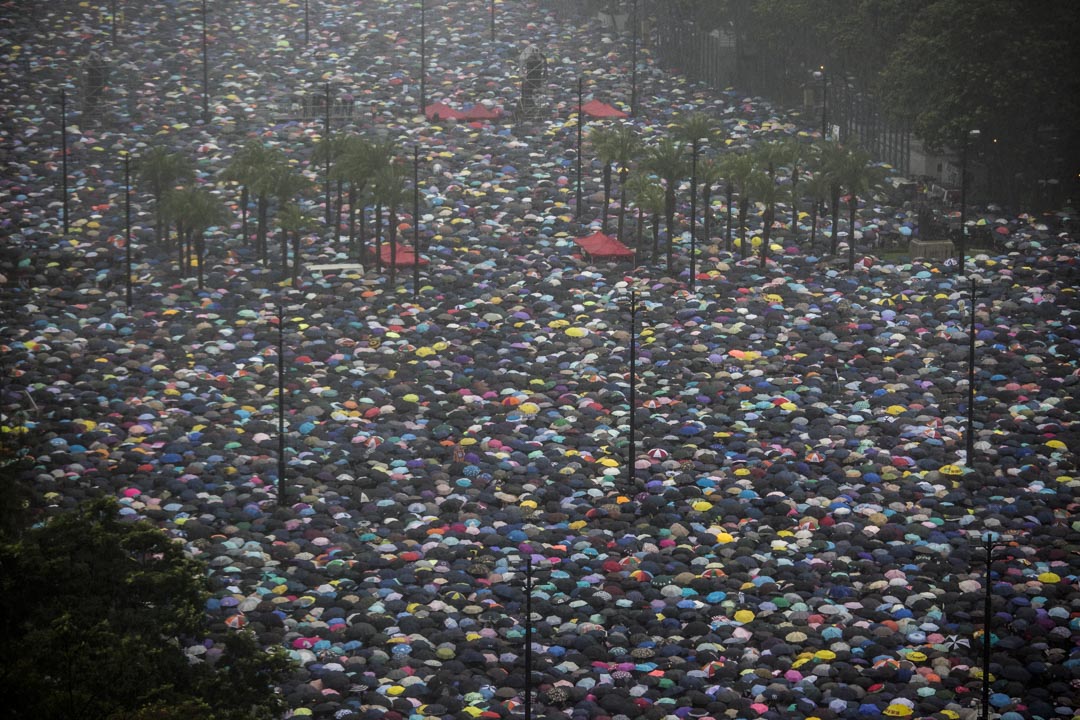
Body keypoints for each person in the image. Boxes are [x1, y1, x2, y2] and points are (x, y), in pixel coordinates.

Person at [519, 44, 547, 111]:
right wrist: (521, 73)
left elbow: (545, 68)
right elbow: (522, 64)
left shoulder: (542, 57)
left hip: (538, 78)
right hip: (530, 78)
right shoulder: (527, 58)